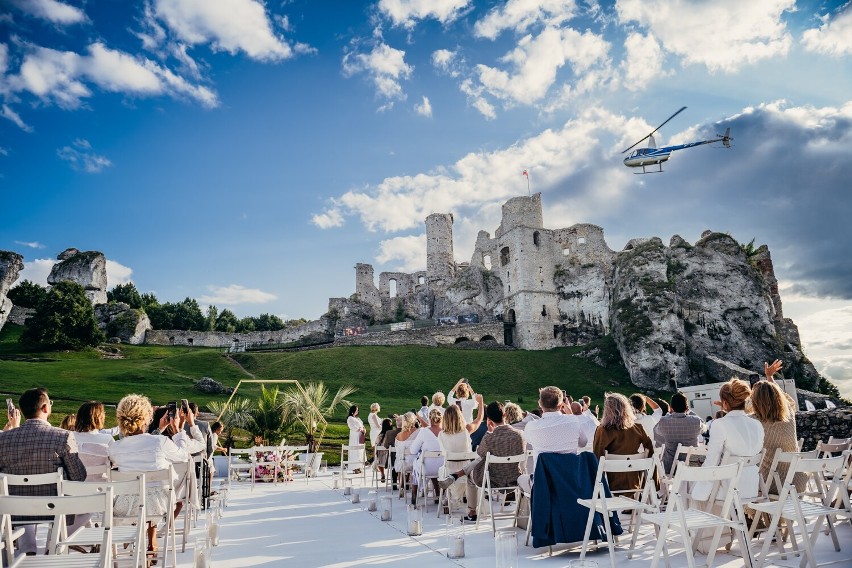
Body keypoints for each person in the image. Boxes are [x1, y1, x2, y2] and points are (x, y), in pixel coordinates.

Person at [109, 394, 205, 557]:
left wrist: (159, 429)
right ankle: (150, 542)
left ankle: (135, 538)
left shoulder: (114, 447)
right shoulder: (159, 442)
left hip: (125, 506)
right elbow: (182, 456)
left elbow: (137, 446)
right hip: (159, 504)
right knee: (151, 493)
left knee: (140, 493)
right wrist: (178, 430)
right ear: (146, 418)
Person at [0, 388, 87, 555]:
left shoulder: (3, 439)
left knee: (21, 498)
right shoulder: (63, 436)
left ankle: (28, 548)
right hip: (54, 509)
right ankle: (53, 545)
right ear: (46, 408)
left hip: (14, 511)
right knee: (88, 505)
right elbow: (79, 476)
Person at [441, 402, 525, 522]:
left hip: (493, 481)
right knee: (482, 460)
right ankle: (460, 473)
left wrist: (489, 432)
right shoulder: (520, 435)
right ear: (505, 414)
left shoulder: (489, 437)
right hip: (515, 480)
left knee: (472, 475)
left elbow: (480, 453)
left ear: (489, 420)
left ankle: (472, 511)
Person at [694, 377, 764, 501]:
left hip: (727, 489)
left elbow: (712, 461)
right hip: (752, 487)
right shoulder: (757, 424)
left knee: (689, 486)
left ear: (724, 403)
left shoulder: (720, 424)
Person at [517, 386, 587, 493]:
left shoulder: (531, 427)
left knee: (520, 479)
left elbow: (529, 441)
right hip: (569, 482)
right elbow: (583, 443)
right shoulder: (574, 421)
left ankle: (535, 507)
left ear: (540, 403)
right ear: (561, 404)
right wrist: (571, 415)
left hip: (543, 484)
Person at [752, 360, 806, 494]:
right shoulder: (789, 415)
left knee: (739, 483)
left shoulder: (754, 421)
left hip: (773, 484)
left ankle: (753, 515)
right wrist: (770, 377)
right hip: (798, 482)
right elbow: (784, 399)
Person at [593, 393, 654, 492]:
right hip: (635, 482)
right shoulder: (638, 428)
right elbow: (650, 451)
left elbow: (597, 456)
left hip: (611, 484)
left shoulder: (603, 430)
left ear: (607, 410)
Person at [437, 404, 478, 512]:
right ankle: (455, 499)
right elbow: (469, 451)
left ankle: (447, 499)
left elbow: (443, 453)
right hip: (465, 470)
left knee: (442, 469)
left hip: (449, 469)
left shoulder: (441, 434)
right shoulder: (465, 432)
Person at [653, 392, 706, 475]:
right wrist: (690, 412)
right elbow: (705, 427)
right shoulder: (696, 421)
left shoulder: (664, 421)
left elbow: (656, 430)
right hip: (692, 467)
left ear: (671, 408)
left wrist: (667, 415)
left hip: (671, 469)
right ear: (687, 408)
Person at [408, 408, 444, 504]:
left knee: (416, 463)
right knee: (433, 464)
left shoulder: (423, 432)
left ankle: (414, 492)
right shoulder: (445, 432)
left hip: (426, 469)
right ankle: (437, 493)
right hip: (442, 469)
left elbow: (413, 450)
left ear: (430, 419)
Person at [73, 401, 115, 481]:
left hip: (74, 488)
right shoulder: (107, 440)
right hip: (102, 489)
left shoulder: (69, 437)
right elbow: (116, 463)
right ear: (99, 418)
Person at [393, 412, 419, 491]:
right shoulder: (419, 432)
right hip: (416, 464)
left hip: (403, 464)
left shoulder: (399, 435)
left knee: (400, 460)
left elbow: (398, 450)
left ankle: (402, 486)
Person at [346, 405, 366, 474]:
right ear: (353, 411)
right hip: (355, 437)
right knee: (355, 451)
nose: (357, 411)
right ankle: (354, 468)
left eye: (358, 410)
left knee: (360, 451)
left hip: (360, 437)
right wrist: (359, 429)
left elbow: (362, 425)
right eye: (356, 410)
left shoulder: (357, 418)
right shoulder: (350, 418)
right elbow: (351, 426)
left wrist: (363, 429)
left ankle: (359, 466)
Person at [374, 418, 394, 483]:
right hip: (391, 460)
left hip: (381, 460)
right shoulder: (393, 436)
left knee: (378, 455)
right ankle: (394, 476)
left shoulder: (380, 436)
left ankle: (382, 474)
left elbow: (376, 445)